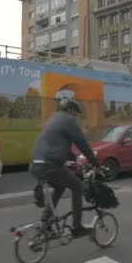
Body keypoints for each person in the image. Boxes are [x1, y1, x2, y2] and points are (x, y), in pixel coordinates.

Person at [30, 98, 100, 238]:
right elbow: (82, 144)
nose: (77, 116)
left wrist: (74, 159)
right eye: (76, 113)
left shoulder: (53, 119)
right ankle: (77, 227)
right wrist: (95, 163)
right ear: (70, 110)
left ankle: (46, 223)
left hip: (35, 164)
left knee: (60, 187)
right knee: (78, 187)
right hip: (50, 165)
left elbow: (58, 144)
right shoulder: (69, 120)